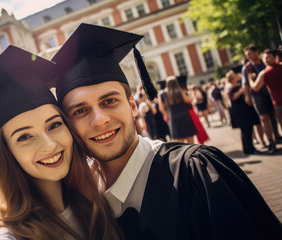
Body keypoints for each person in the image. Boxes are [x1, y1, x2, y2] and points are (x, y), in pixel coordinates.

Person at [51, 23, 282, 239]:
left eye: (109, 101)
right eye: (80, 111)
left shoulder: (197, 172)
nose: (100, 120)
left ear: (132, 106)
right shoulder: (76, 197)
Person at [0, 45, 120, 239]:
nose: (49, 145)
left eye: (53, 126)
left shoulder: (95, 201)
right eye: (24, 137)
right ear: (8, 153)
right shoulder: (8, 234)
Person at [242, 45, 279, 152]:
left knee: (273, 116)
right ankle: (270, 142)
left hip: (270, 93)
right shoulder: (247, 67)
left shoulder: (265, 63)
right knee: (264, 118)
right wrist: (247, 96)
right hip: (257, 95)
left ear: (256, 52)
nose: (248, 56)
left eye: (250, 54)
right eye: (247, 55)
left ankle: (276, 136)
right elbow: (245, 84)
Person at [225, 70, 261, 154]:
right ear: (232, 78)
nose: (237, 75)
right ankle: (249, 149)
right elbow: (232, 97)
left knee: (247, 129)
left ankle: (249, 148)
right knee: (246, 129)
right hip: (239, 111)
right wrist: (241, 91)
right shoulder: (231, 86)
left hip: (242, 110)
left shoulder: (235, 84)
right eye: (235, 75)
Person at [249, 49, 282, 140]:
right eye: (265, 58)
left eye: (269, 57)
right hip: (278, 102)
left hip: (278, 103)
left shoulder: (264, 73)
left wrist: (250, 79)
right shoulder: (264, 73)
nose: (267, 60)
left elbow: (255, 87)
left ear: (275, 58)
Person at [158, 76, 196, 144]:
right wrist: (192, 95)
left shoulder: (162, 94)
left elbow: (161, 108)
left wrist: (167, 114)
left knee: (180, 143)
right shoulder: (180, 91)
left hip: (173, 119)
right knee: (191, 142)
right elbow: (189, 101)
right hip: (185, 117)